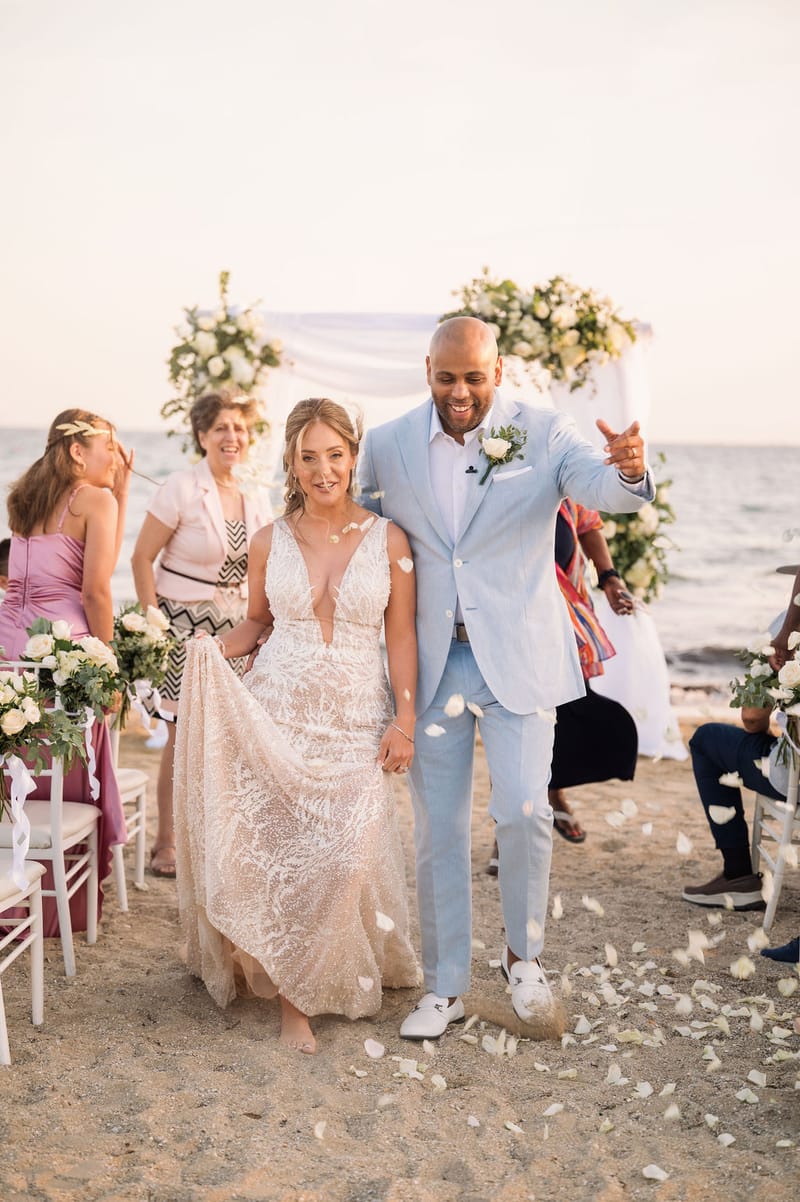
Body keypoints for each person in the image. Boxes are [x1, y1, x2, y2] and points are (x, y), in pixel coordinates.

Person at [358, 316, 654, 1039]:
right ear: (427, 367)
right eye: (446, 377)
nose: (460, 392)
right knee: (439, 832)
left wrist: (628, 468)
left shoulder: (546, 432)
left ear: (498, 370)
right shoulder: (388, 444)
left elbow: (605, 494)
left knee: (524, 812)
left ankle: (525, 962)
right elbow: (363, 532)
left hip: (522, 654)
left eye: (474, 377)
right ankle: (446, 986)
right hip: (432, 662)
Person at [172, 398, 420, 1054]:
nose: (322, 469)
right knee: (286, 861)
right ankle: (294, 1005)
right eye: (308, 457)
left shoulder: (390, 540)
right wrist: (212, 649)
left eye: (334, 455)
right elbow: (259, 624)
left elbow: (401, 639)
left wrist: (406, 719)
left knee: (344, 859)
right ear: (290, 461)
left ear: (352, 456)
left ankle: (317, 974)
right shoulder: (267, 540)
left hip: (354, 722)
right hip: (276, 712)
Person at [0, 408, 131, 933]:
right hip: (60, 652)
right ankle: (61, 903)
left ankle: (11, 882)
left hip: (9, 647)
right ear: (79, 453)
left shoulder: (24, 499)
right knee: (77, 740)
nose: (116, 461)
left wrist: (120, 493)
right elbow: (96, 589)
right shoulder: (92, 500)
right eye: (110, 449)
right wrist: (111, 661)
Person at [131, 394, 272, 878]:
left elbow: (265, 567)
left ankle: (217, 840)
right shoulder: (180, 487)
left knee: (228, 739)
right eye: (221, 429)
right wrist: (153, 626)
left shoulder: (255, 495)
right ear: (202, 436)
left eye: (239, 428)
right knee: (180, 734)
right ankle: (165, 842)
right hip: (181, 629)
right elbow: (140, 558)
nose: (232, 437)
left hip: (235, 630)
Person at [683, 568, 800, 911]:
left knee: (706, 740)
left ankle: (738, 875)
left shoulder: (786, 628)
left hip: (792, 779)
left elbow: (751, 719)